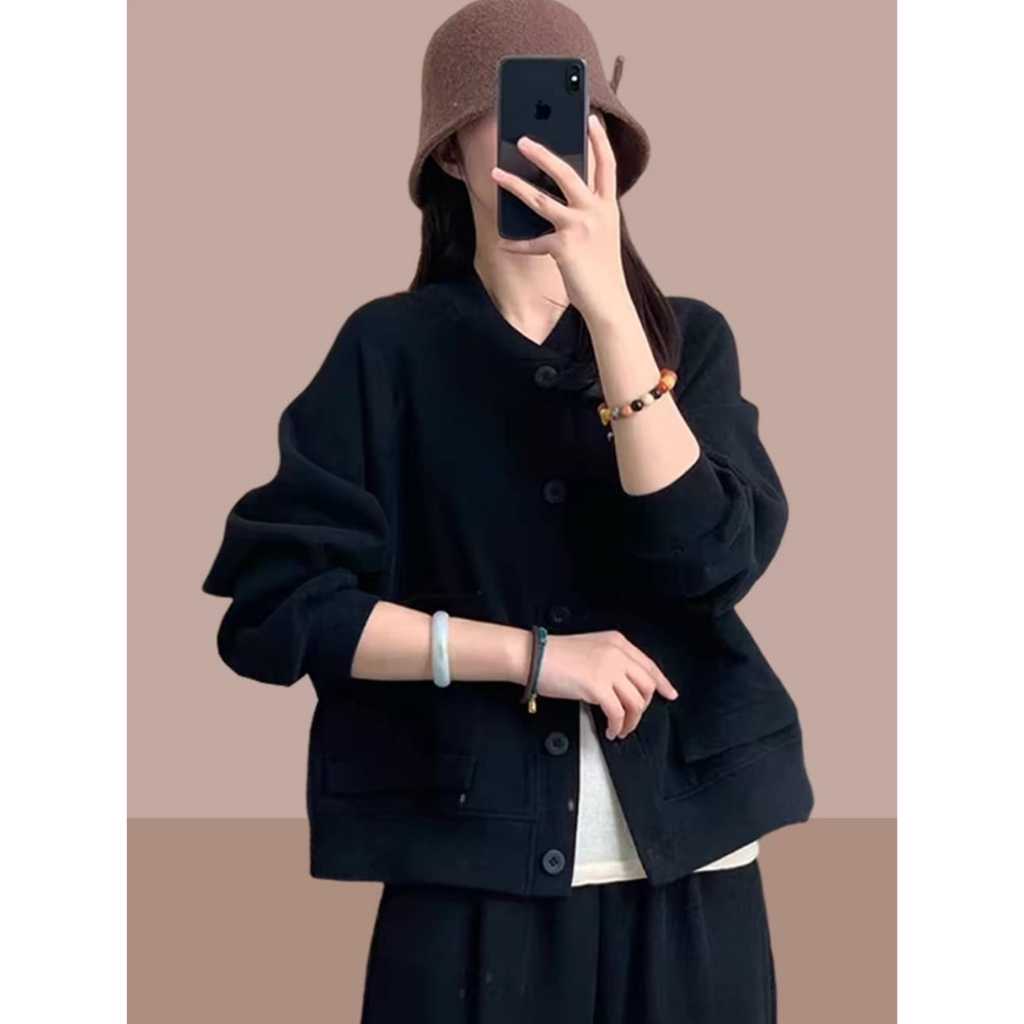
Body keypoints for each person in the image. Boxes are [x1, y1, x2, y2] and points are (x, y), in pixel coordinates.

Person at [201, 1, 814, 1020]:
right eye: (517, 109)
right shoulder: (388, 353)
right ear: (450, 154)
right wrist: (532, 657)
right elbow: (278, 611)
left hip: (693, 874)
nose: (548, 139)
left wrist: (609, 307)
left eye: (577, 111)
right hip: (466, 866)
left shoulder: (687, 341)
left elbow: (710, 561)